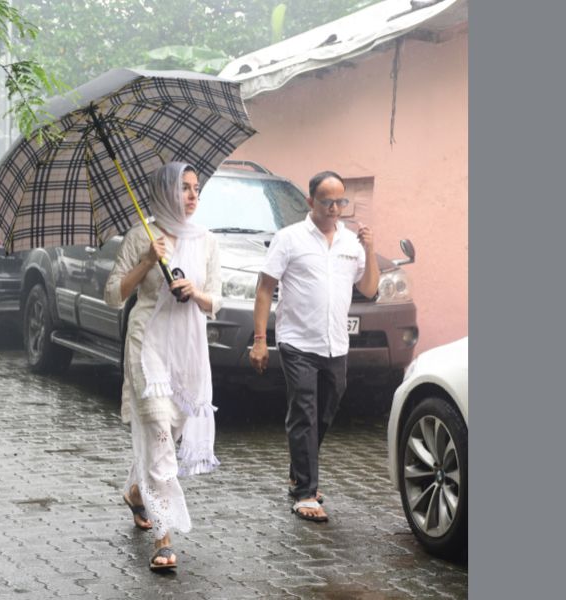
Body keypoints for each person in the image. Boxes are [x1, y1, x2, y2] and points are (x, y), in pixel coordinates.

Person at [104, 162, 222, 570]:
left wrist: (196, 292)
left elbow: (216, 299)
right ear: (165, 191)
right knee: (157, 434)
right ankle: (163, 537)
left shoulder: (205, 240)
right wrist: (146, 260)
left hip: (187, 351)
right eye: (183, 188)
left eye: (196, 189)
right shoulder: (142, 235)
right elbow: (113, 295)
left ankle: (137, 493)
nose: (192, 196)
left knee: (170, 433)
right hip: (147, 346)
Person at [248, 171, 379, 522]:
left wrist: (369, 249)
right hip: (297, 341)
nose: (334, 208)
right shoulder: (289, 238)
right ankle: (305, 493)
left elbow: (368, 288)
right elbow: (264, 289)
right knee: (304, 412)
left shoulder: (351, 242)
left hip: (336, 343)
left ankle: (299, 471)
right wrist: (260, 340)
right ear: (311, 202)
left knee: (325, 412)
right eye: (327, 202)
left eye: (340, 202)